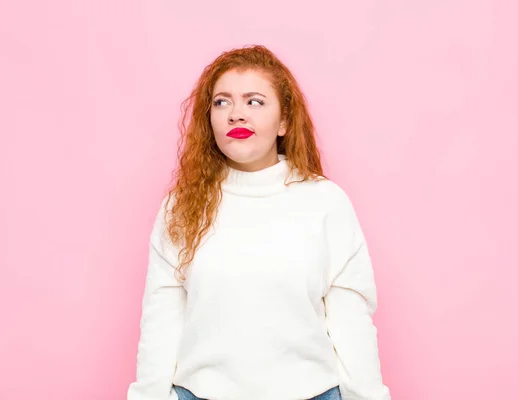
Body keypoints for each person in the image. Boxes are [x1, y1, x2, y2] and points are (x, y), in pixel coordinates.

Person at [126, 45, 391, 400]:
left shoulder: (325, 202)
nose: (236, 114)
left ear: (284, 121)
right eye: (222, 102)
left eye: (254, 101)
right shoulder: (181, 206)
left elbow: (352, 322)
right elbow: (161, 320)